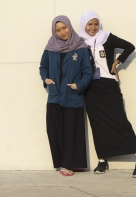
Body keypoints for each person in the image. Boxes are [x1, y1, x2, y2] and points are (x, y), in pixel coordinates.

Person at [78, 10, 136, 177]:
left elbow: (130, 46)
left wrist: (117, 62)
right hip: (90, 87)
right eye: (89, 24)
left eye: (95, 24)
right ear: (84, 25)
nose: (93, 28)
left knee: (121, 121)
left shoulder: (107, 37)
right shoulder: (80, 42)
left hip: (108, 84)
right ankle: (102, 160)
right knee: (97, 124)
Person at [39, 15, 93, 176]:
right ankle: (63, 162)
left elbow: (88, 72)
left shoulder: (81, 47)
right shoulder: (50, 47)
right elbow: (43, 66)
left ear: (70, 26)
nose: (62, 32)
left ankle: (69, 165)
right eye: (58, 30)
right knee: (54, 130)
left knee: (72, 131)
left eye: (64, 28)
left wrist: (79, 85)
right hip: (55, 95)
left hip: (72, 95)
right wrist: (46, 79)